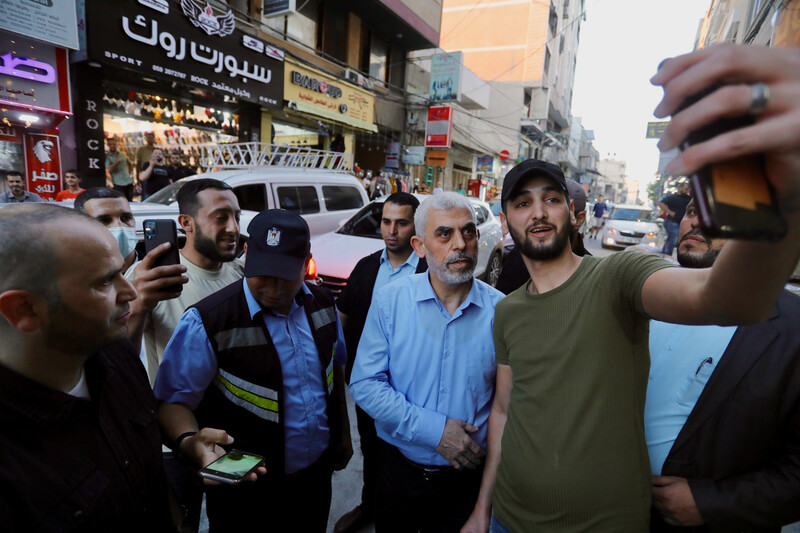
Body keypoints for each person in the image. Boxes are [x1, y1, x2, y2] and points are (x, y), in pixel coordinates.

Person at [461, 44, 800, 533]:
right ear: (507, 221)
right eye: (521, 203)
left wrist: (768, 183)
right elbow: (504, 412)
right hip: (508, 521)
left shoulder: (617, 277)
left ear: (574, 214)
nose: (537, 212)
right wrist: (481, 509)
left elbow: (729, 299)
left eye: (551, 199)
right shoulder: (507, 312)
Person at [155, 209, 352, 532]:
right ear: (247, 255)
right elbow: (171, 403)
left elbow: (334, 368)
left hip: (314, 478)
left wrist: (341, 431)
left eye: (286, 274)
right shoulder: (208, 321)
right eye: (263, 273)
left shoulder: (323, 304)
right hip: (242, 485)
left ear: (307, 263)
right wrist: (192, 443)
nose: (273, 287)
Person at [0, 204, 172, 529]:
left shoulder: (115, 354)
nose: (130, 291)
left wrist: (186, 441)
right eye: (106, 282)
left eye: (124, 272)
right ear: (24, 309)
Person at [350, 192, 505, 533]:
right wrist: (434, 432)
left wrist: (484, 506)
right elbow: (365, 383)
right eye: (444, 234)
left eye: (468, 232)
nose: (460, 244)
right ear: (419, 246)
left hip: (467, 480)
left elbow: (507, 408)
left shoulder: (502, 312)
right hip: (397, 474)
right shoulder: (391, 301)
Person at [645, 199, 800, 532]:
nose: (696, 222)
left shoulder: (791, 328)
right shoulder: (645, 298)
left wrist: (711, 502)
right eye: (690, 212)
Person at [333, 192, 428, 533]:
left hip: (417, 387)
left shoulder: (431, 270)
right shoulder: (366, 267)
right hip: (371, 384)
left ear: (416, 228)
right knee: (372, 450)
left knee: (409, 457)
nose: (391, 230)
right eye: (386, 222)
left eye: (401, 223)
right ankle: (369, 506)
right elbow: (341, 321)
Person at [74, 187, 188, 350]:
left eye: (126, 217)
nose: (119, 226)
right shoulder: (76, 281)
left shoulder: (161, 270)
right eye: (105, 220)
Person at [495, 178, 591, 295]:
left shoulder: (594, 274)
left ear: (577, 217)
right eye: (524, 204)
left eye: (553, 201)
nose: (539, 214)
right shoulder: (520, 256)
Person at [657, 180, 691, 257]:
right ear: (680, 188)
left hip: (682, 223)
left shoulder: (688, 198)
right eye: (686, 189)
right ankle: (667, 255)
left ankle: (664, 255)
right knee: (673, 238)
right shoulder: (672, 197)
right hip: (672, 222)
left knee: (673, 239)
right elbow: (660, 203)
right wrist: (670, 212)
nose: (687, 191)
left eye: (688, 189)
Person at [105, 136, 134, 201]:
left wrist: (130, 173)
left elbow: (130, 164)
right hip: (118, 183)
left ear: (117, 144)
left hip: (128, 181)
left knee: (130, 201)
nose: (112, 146)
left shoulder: (122, 154)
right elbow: (108, 169)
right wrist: (117, 163)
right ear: (108, 145)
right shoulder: (107, 156)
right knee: (122, 201)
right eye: (110, 144)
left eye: (114, 144)